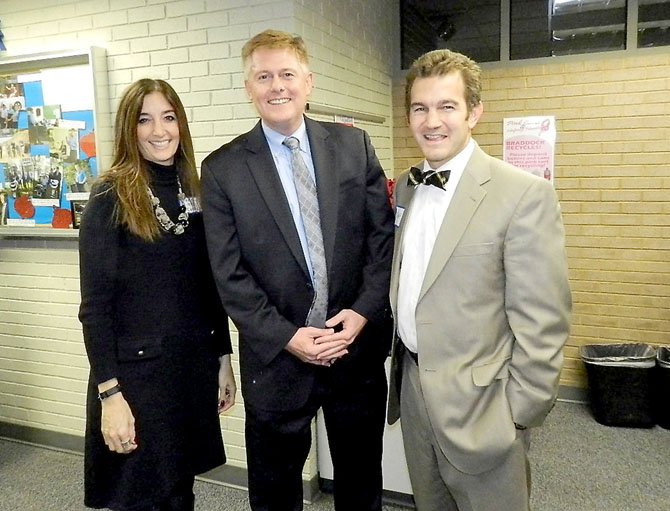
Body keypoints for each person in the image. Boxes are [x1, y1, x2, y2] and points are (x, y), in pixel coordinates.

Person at [200, 29, 394, 511]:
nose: (276, 86)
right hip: (278, 359)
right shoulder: (222, 168)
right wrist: (289, 336)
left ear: (308, 81)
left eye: (287, 74)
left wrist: (363, 313)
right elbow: (230, 275)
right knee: (274, 491)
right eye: (263, 76)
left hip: (354, 347)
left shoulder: (354, 147)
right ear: (248, 87)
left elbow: (381, 240)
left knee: (360, 480)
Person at [387, 49, 572, 511]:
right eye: (420, 107)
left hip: (485, 406)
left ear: (475, 113)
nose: (432, 121)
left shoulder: (523, 194)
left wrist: (517, 415)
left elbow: (543, 319)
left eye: (447, 106)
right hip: (413, 391)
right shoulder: (407, 186)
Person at [78, 78, 237, 511]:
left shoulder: (194, 189)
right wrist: (110, 395)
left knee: (178, 491)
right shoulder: (110, 196)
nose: (159, 130)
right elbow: (95, 309)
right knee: (140, 496)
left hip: (188, 371)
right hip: (136, 379)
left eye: (168, 117)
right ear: (129, 129)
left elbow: (208, 288)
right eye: (144, 120)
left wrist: (223, 359)